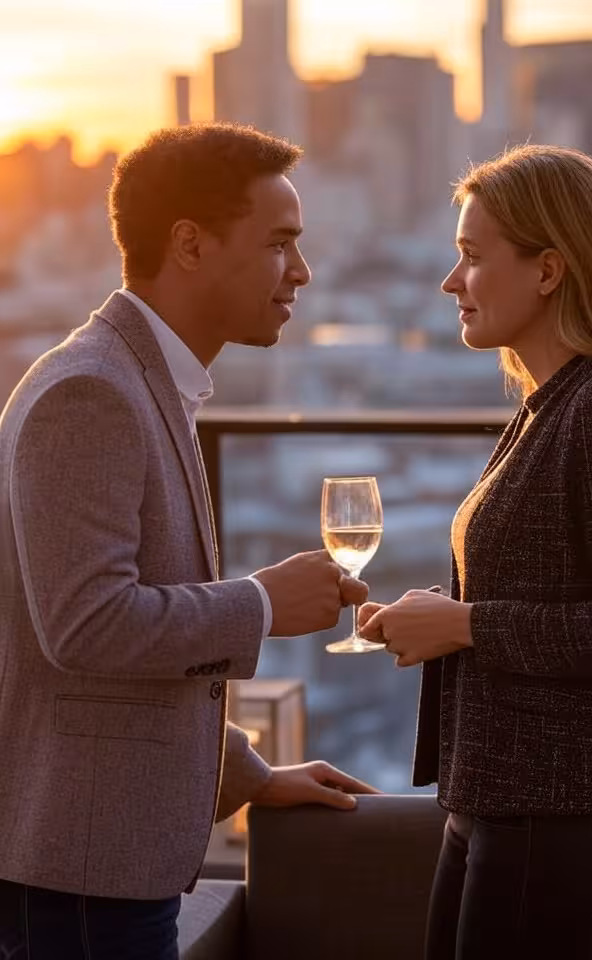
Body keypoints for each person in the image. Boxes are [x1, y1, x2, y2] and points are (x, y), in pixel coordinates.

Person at [0, 123, 379, 959]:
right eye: (279, 243)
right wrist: (262, 604)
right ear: (190, 245)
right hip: (83, 875)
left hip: (107, 864)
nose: (302, 271)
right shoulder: (91, 394)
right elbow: (86, 627)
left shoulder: (141, 383)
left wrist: (247, 775)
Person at [358, 144, 592, 960]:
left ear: (549, 270)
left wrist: (463, 625)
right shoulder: (551, 404)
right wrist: (438, 620)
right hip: (505, 799)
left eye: (473, 257)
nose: (451, 282)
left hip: (565, 813)